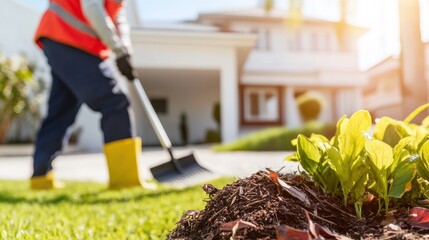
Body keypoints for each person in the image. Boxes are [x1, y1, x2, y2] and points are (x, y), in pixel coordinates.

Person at [31, 0, 142, 189]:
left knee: (62, 109)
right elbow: (92, 7)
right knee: (114, 101)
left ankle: (41, 177)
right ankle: (124, 179)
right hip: (67, 36)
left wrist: (125, 51)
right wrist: (117, 50)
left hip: (61, 39)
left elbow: (119, 18)